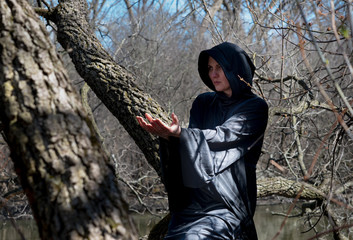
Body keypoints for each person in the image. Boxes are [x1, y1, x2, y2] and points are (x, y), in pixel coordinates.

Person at [136, 42, 268, 240]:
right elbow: (194, 152)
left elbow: (225, 137)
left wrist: (181, 133)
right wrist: (170, 138)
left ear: (236, 68)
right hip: (193, 201)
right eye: (209, 68)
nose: (213, 74)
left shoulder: (255, 107)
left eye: (219, 68)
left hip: (228, 202)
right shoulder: (203, 103)